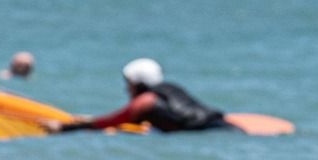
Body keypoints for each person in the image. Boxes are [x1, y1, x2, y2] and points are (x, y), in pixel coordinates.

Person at [46, 58, 232, 134]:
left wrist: (65, 127)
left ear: (137, 83)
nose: (126, 89)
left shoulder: (146, 101)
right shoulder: (172, 88)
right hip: (219, 126)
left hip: (205, 132)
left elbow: (108, 122)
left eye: (128, 83)